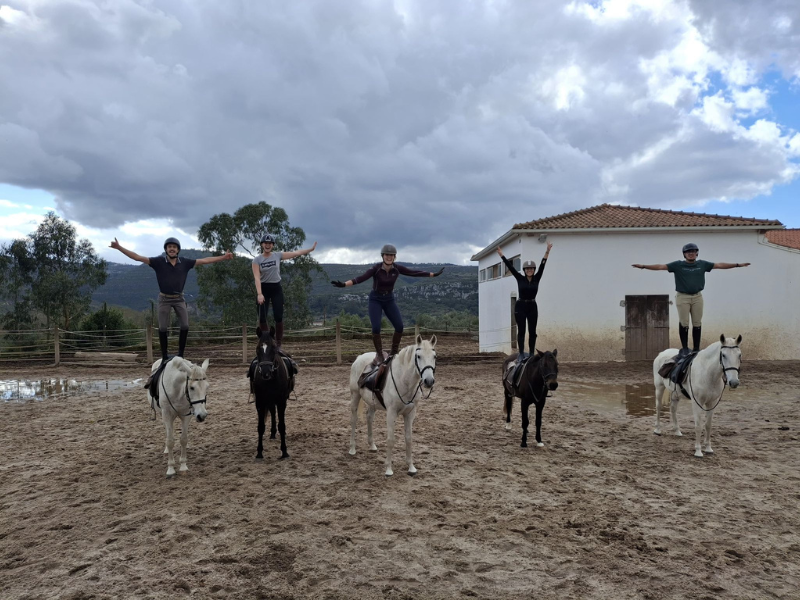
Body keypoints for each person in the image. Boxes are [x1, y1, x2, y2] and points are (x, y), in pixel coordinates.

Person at [110, 237, 233, 360]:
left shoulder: (185, 262)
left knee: (185, 325)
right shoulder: (158, 262)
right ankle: (164, 356)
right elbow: (137, 257)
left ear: (178, 250)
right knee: (163, 327)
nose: (172, 249)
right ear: (166, 249)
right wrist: (119, 247)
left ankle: (181, 354)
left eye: (174, 247)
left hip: (179, 298)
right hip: (164, 299)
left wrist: (223, 257)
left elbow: (205, 260)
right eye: (169, 247)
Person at [331, 244, 444, 364]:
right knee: (376, 328)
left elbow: (414, 273)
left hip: (389, 299)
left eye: (391, 255)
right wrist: (343, 284)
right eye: (387, 255)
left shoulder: (397, 268)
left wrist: (433, 274)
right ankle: (379, 354)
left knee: (399, 326)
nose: (389, 257)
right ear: (382, 256)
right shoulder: (376, 269)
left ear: (394, 257)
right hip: (375, 299)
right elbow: (360, 278)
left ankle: (393, 353)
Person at [632, 243, 750, 353]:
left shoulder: (702, 264)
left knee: (697, 323)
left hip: (697, 296)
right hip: (683, 297)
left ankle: (696, 349)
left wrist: (737, 265)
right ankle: (684, 348)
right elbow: (661, 267)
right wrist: (643, 266)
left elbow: (719, 265)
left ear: (697, 253)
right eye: (688, 252)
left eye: (693, 252)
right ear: (684, 254)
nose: (691, 253)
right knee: (684, 322)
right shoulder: (678, 265)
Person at [251, 234, 317, 350]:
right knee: (262, 317)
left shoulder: (277, 256)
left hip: (276, 288)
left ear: (272, 245)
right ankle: (266, 340)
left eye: (270, 243)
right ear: (262, 245)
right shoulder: (257, 260)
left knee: (278, 316)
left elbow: (296, 253)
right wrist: (259, 294)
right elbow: (257, 277)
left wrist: (310, 249)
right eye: (265, 243)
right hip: (263, 288)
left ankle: (278, 342)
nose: (267, 245)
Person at [497, 242, 552, 359]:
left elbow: (543, 264)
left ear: (533, 269)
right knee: (521, 331)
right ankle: (521, 353)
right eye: (527, 269)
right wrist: (502, 255)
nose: (529, 270)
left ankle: (532, 353)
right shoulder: (520, 278)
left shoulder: (537, 278)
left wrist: (547, 251)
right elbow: (510, 267)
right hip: (520, 306)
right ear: (524, 270)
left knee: (533, 332)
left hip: (532, 306)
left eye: (531, 268)